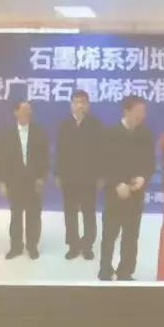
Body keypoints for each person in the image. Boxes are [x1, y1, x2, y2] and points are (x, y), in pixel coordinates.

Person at [98, 96, 156, 282]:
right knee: (110, 234)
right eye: (138, 112)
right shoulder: (110, 133)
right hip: (114, 192)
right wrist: (117, 183)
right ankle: (105, 269)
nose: (142, 116)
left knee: (131, 236)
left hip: (136, 193)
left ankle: (125, 271)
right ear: (126, 111)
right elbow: (102, 163)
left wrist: (142, 178)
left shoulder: (145, 134)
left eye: (143, 112)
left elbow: (150, 162)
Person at [54, 90, 103, 260]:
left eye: (83, 102)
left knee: (89, 213)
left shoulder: (96, 125)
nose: (79, 105)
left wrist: (100, 176)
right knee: (70, 213)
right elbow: (59, 151)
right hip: (69, 178)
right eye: (76, 102)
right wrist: (58, 174)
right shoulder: (64, 125)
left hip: (89, 178)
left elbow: (101, 153)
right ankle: (73, 246)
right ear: (71, 104)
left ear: (88, 105)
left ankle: (88, 245)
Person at [0, 101, 49, 260]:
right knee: (16, 215)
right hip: (14, 181)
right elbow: (2, 160)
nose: (27, 112)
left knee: (33, 215)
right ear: (16, 112)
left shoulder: (39, 132)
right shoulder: (7, 134)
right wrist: (3, 182)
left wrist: (41, 178)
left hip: (34, 181)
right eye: (24, 109)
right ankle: (16, 247)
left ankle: (32, 246)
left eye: (29, 110)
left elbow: (45, 157)